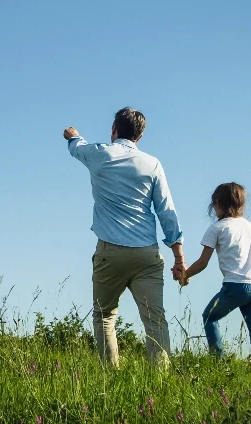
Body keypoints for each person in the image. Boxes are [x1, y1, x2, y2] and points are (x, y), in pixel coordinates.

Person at [64, 107, 184, 367]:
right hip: (146, 254)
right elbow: (166, 210)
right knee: (155, 319)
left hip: (110, 252)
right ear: (139, 136)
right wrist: (179, 257)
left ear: (114, 130)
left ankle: (111, 377)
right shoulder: (152, 164)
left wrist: (73, 135)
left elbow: (77, 147)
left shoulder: (100, 155)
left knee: (105, 316)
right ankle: (160, 383)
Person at [179, 182, 251, 372]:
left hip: (235, 286)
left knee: (209, 317)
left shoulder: (217, 228)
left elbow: (202, 263)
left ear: (218, 203)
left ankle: (220, 366)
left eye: (214, 204)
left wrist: (185, 276)